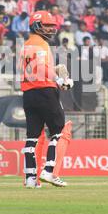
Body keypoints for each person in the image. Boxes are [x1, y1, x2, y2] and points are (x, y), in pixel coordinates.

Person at [20, 10, 73, 188]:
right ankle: (48, 171)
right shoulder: (41, 44)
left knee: (32, 136)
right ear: (36, 26)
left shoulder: (26, 44)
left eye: (52, 26)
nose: (51, 29)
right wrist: (59, 80)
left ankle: (30, 178)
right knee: (58, 129)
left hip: (28, 93)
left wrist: (55, 70)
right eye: (47, 25)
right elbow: (41, 68)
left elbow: (32, 69)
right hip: (45, 91)